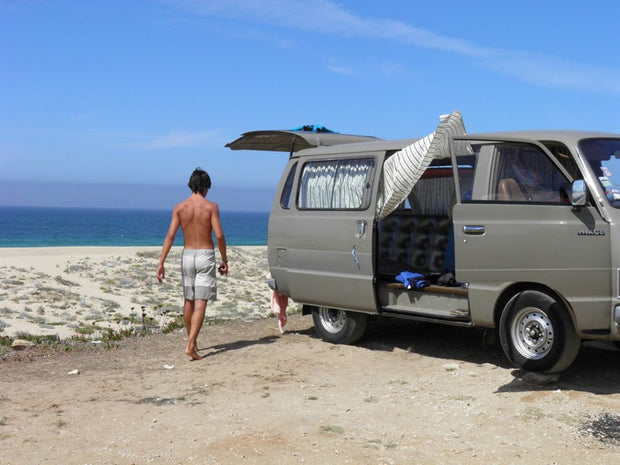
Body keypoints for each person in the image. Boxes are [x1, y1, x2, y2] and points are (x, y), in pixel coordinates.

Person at [157, 168, 228, 360]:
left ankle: (193, 342)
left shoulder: (179, 207)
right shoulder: (211, 207)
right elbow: (219, 235)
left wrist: (161, 262)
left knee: (188, 300)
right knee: (200, 302)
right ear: (205, 187)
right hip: (205, 254)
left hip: (187, 255)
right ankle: (190, 345)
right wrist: (224, 259)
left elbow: (170, 235)